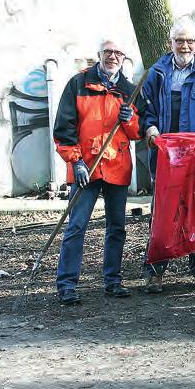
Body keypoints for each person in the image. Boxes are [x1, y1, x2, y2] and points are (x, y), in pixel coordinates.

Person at [53, 39, 142, 305]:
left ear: (123, 58)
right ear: (99, 55)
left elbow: (137, 133)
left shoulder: (129, 90)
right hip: (86, 168)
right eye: (108, 52)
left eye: (118, 52)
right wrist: (75, 162)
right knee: (76, 225)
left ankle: (112, 281)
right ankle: (67, 285)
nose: (113, 56)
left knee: (117, 227)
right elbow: (64, 128)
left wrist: (131, 119)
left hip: (117, 166)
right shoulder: (78, 84)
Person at [140, 20, 195, 293]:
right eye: (179, 41)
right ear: (170, 44)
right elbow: (145, 109)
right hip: (165, 156)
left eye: (190, 41)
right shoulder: (156, 73)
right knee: (163, 212)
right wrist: (151, 129)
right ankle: (155, 270)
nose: (184, 46)